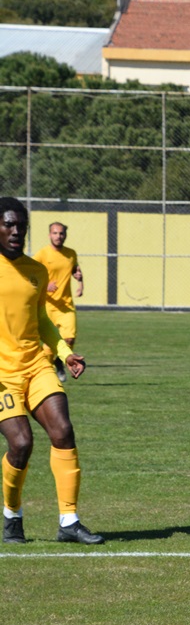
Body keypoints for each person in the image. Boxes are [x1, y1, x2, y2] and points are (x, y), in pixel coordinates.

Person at [0, 198, 99, 546]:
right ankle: (12, 515)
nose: (16, 231)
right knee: (22, 443)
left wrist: (65, 353)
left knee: (63, 429)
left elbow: (41, 319)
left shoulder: (35, 270)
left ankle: (69, 521)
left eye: (21, 225)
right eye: (9, 224)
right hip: (2, 376)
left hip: (36, 365)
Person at [32, 222, 83, 384]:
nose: (58, 236)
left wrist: (80, 282)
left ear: (65, 235)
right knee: (48, 345)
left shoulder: (71, 254)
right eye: (55, 233)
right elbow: (30, 276)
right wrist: (45, 286)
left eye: (61, 233)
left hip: (66, 305)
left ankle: (59, 363)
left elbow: (75, 270)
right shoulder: (42, 254)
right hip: (47, 306)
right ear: (49, 235)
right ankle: (46, 375)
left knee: (69, 339)